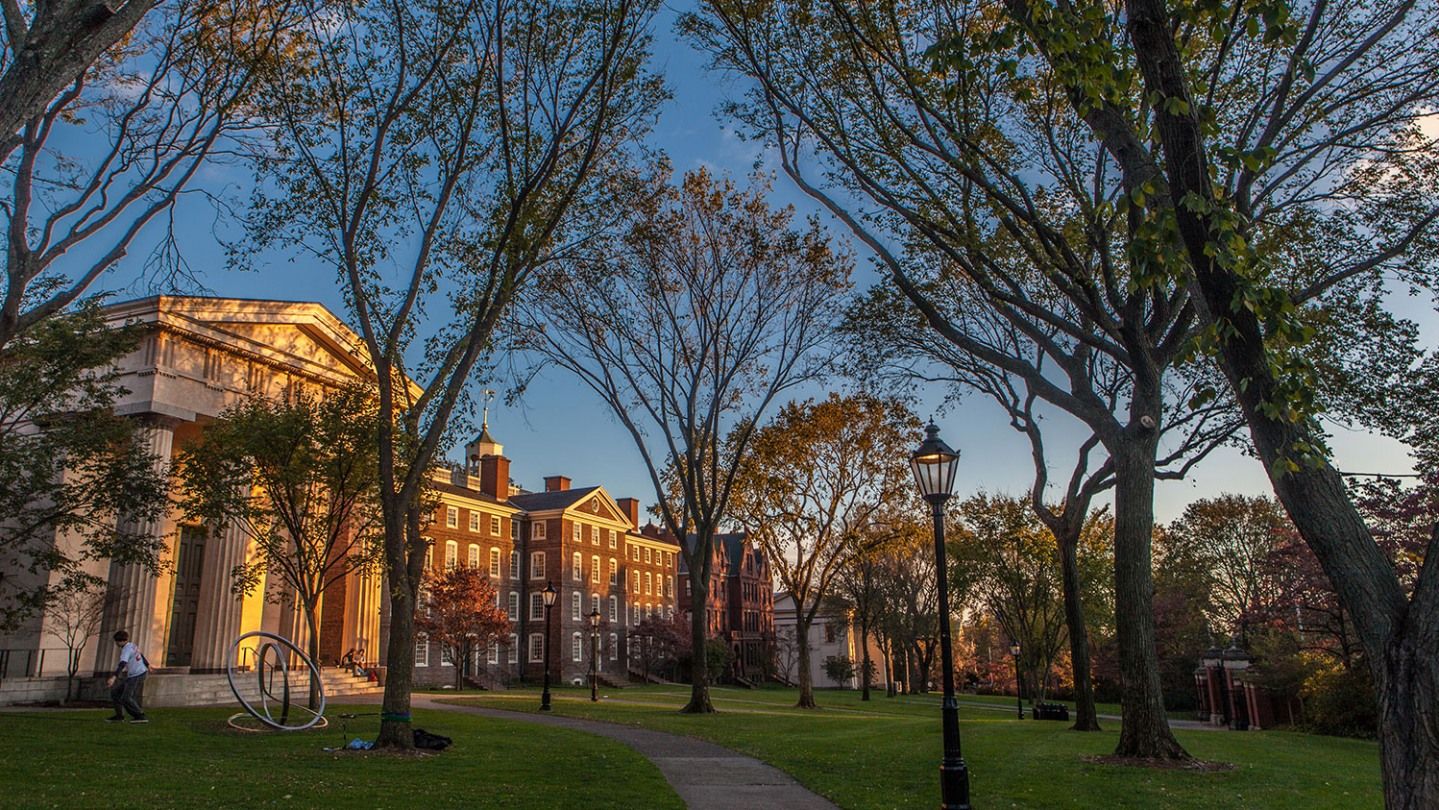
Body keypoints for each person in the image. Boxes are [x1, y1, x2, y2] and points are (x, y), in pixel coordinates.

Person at [106, 630, 149, 724]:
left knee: (126, 697)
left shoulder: (126, 649)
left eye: (116, 642)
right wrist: (148, 665)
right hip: (136, 674)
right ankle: (119, 716)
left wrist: (114, 677)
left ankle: (140, 715)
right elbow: (141, 655)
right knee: (115, 693)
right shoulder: (132, 645)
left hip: (137, 674)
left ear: (119, 641)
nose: (116, 644)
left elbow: (122, 663)